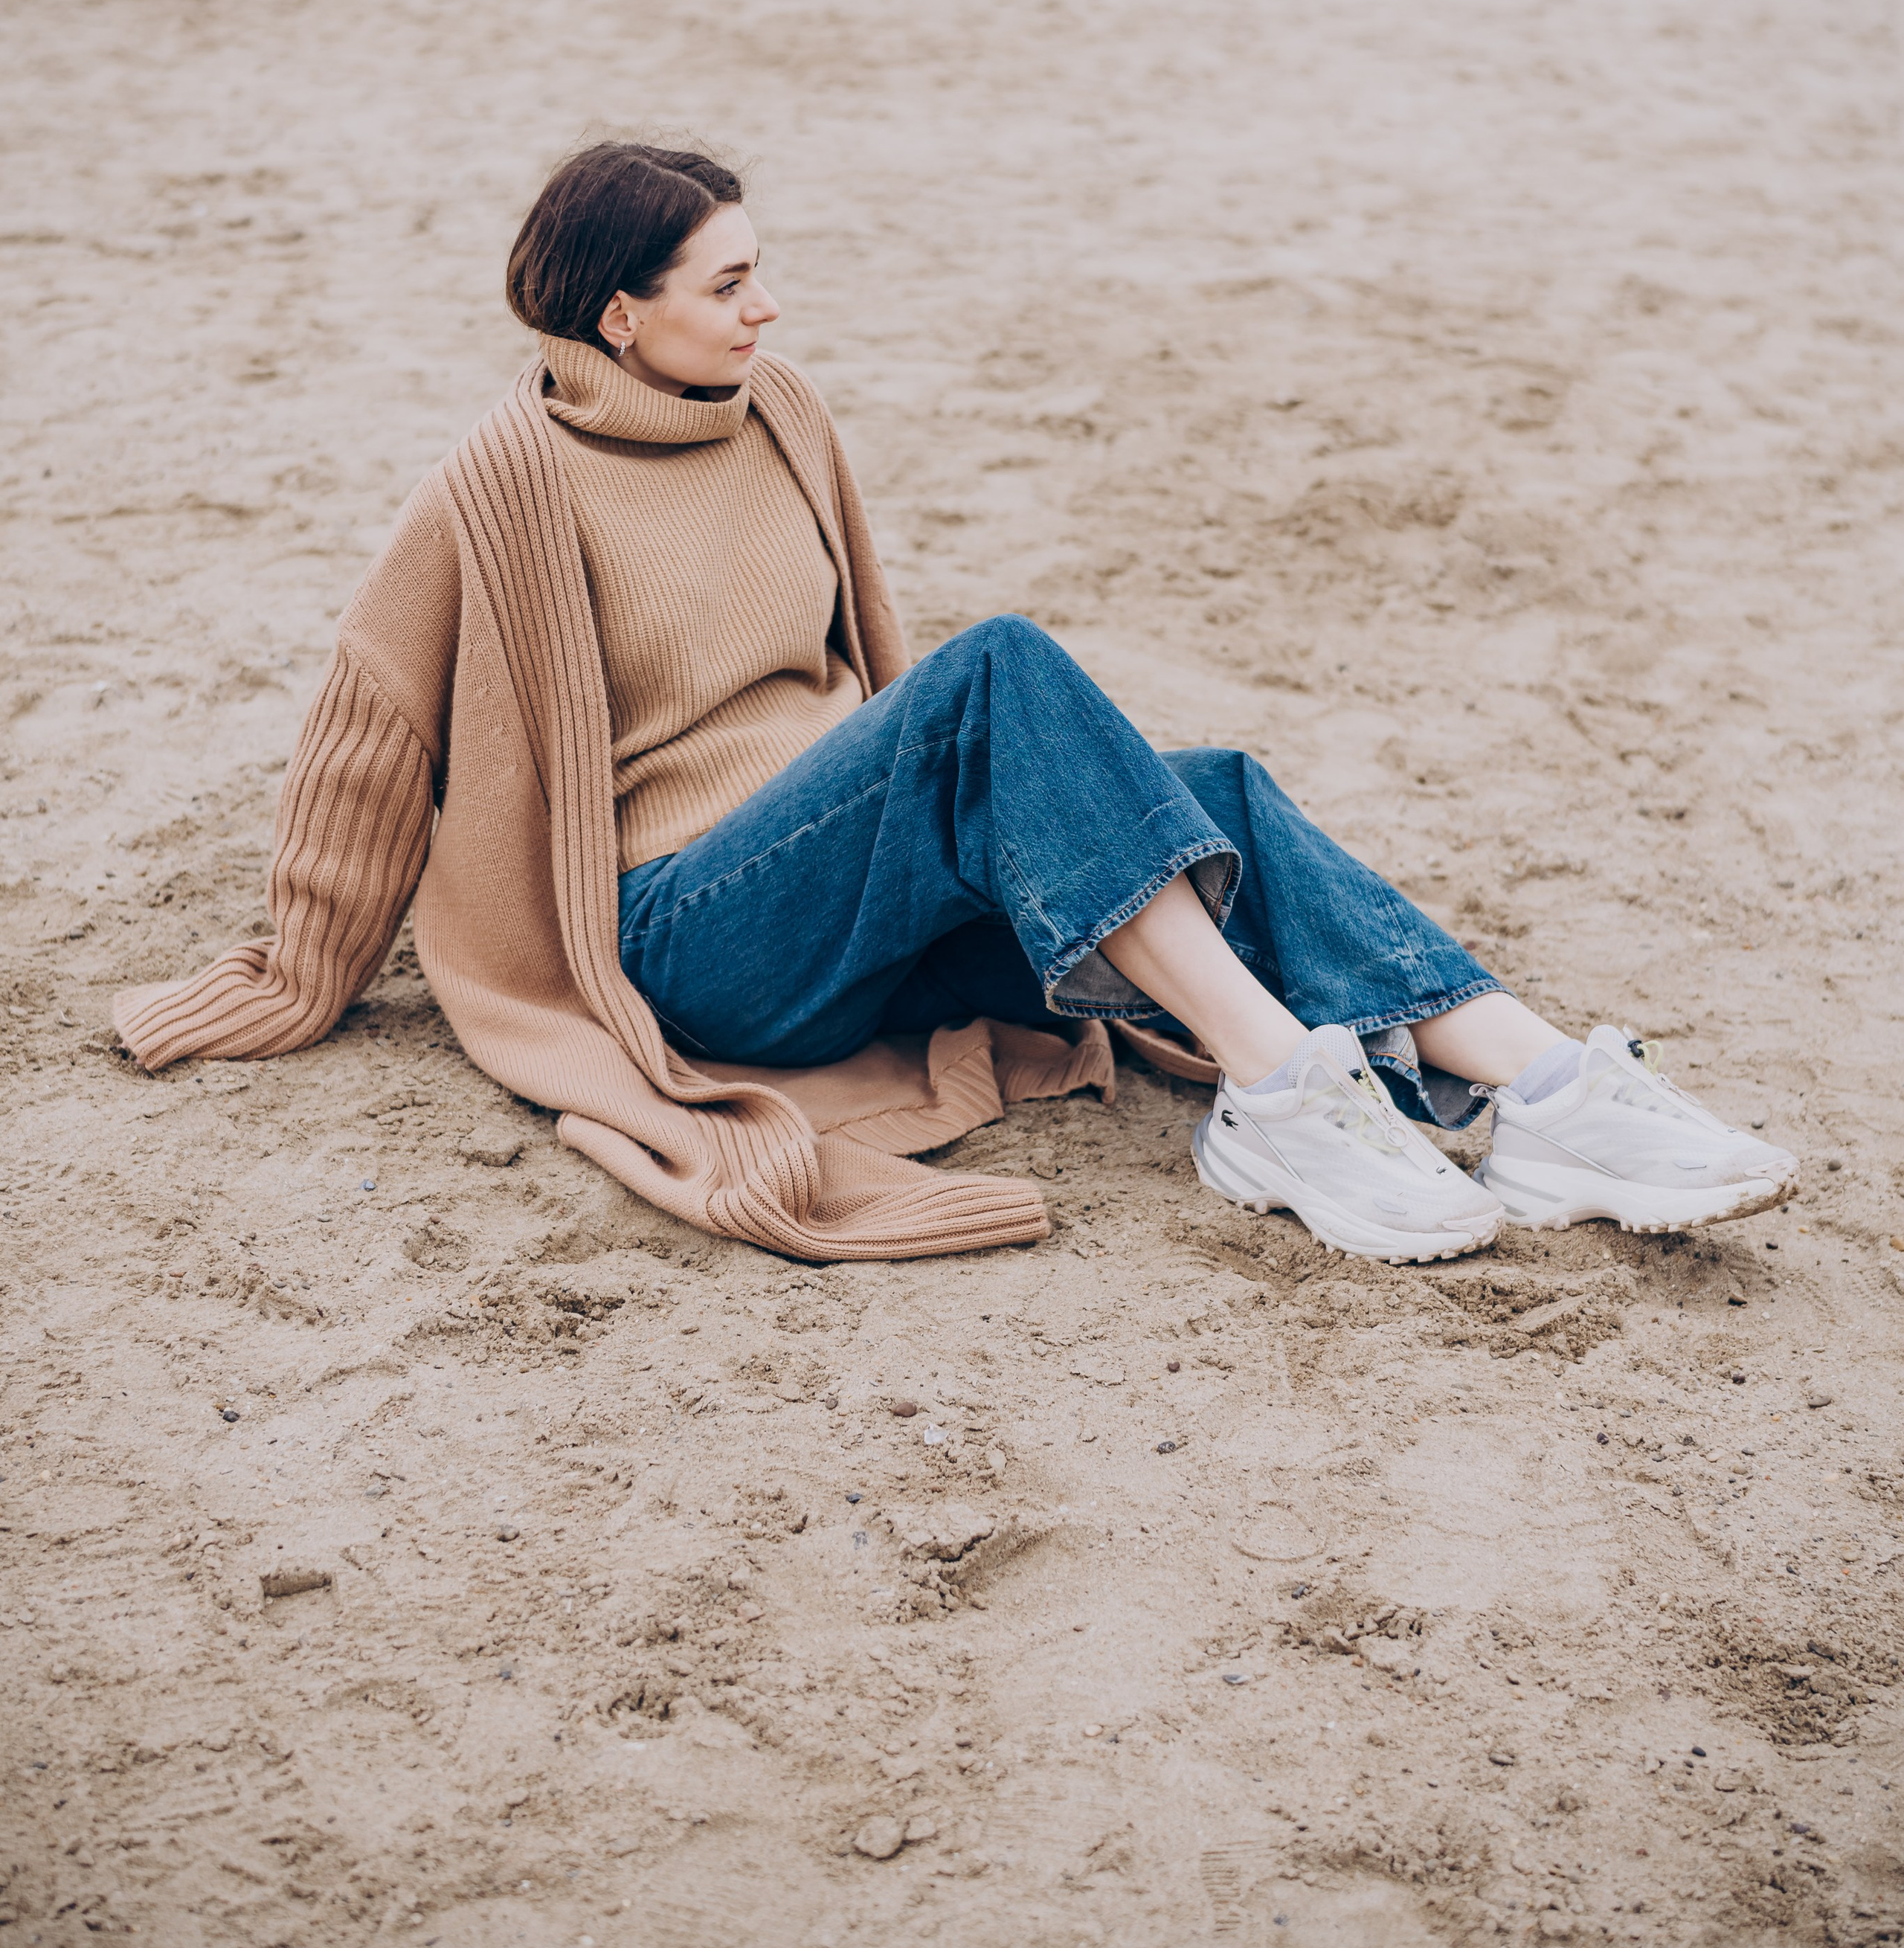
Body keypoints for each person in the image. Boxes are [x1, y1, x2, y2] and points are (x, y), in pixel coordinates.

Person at [116, 142, 1796, 1267]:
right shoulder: (493, 487)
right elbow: (369, 735)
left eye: (762, 272)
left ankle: (1545, 1092)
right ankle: (1282, 1093)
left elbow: (870, 695)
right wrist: (289, 974)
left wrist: (1012, 816)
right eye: (727, 285)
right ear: (617, 315)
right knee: (996, 671)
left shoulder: (779, 414)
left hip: (852, 883)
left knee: (1206, 782)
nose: (766, 308)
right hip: (691, 931)